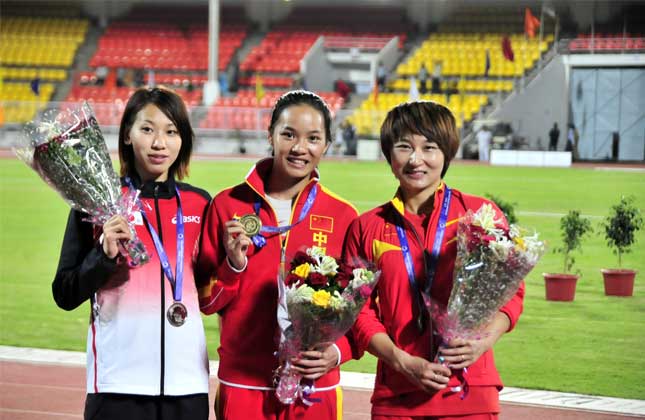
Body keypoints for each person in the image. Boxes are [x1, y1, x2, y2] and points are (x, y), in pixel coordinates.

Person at [344, 101, 525, 420]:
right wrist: (401, 361)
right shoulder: (366, 227)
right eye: (404, 147)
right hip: (397, 397)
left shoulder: (479, 215)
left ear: (446, 153)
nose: (416, 159)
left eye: (429, 147)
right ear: (389, 155)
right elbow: (357, 312)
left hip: (469, 393)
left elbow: (512, 294)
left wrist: (484, 341)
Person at [196, 90, 359, 420]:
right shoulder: (228, 206)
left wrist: (339, 352)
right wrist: (233, 265)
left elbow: (362, 307)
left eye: (313, 138)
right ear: (270, 134)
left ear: (327, 144)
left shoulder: (343, 216)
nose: (300, 148)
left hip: (314, 388)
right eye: (288, 135)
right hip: (244, 385)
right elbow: (206, 301)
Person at [52, 87, 211, 419]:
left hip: (187, 386)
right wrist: (103, 255)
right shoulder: (97, 203)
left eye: (171, 131)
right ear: (127, 134)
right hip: (117, 384)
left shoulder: (200, 204)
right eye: (148, 129)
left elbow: (212, 291)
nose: (159, 143)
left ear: (183, 140)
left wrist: (236, 262)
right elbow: (65, 292)